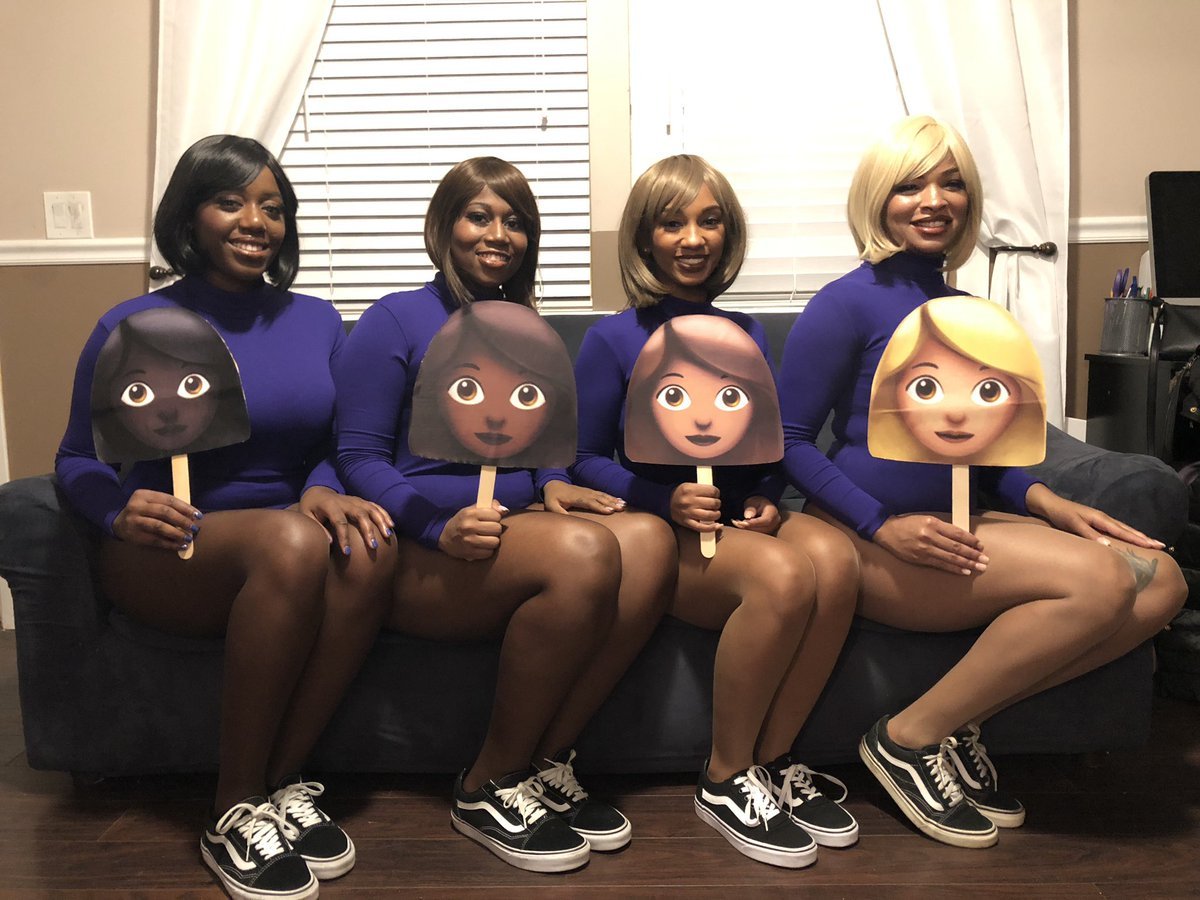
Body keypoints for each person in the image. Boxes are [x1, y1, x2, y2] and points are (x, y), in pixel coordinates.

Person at [779, 114, 1188, 849]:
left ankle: (956, 721)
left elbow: (988, 459)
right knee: (1102, 582)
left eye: (952, 183)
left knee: (1163, 583)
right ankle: (905, 740)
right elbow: (788, 439)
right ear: (877, 198)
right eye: (910, 185)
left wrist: (1052, 503)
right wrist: (881, 525)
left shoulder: (972, 315)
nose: (934, 200)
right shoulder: (845, 303)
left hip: (963, 526)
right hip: (871, 542)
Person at [55, 135, 398, 898]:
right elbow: (75, 458)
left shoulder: (317, 321)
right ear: (190, 216)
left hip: (286, 544)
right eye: (230, 201)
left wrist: (321, 487)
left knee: (373, 544)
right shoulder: (133, 322)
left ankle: (281, 782)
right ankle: (231, 808)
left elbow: (332, 445)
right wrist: (117, 509)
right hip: (169, 550)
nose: (255, 221)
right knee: (291, 542)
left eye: (273, 208)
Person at [333, 156, 676, 873]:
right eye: (479, 216)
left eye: (515, 221)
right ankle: (485, 784)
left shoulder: (523, 328)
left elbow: (542, 442)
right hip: (422, 547)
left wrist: (551, 483)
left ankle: (544, 762)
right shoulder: (393, 320)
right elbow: (357, 457)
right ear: (443, 226)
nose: (498, 234)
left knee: (647, 539)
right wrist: (435, 527)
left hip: (511, 528)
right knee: (586, 553)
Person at [570, 154, 862, 869]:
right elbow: (577, 458)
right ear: (644, 238)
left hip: (737, 521)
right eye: (672, 224)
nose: (693, 239)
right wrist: (660, 498)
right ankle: (726, 777)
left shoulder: (747, 332)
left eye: (709, 221)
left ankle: (774, 759)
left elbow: (767, 444)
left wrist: (763, 494)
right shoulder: (613, 338)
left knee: (834, 559)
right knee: (784, 576)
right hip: (663, 533)